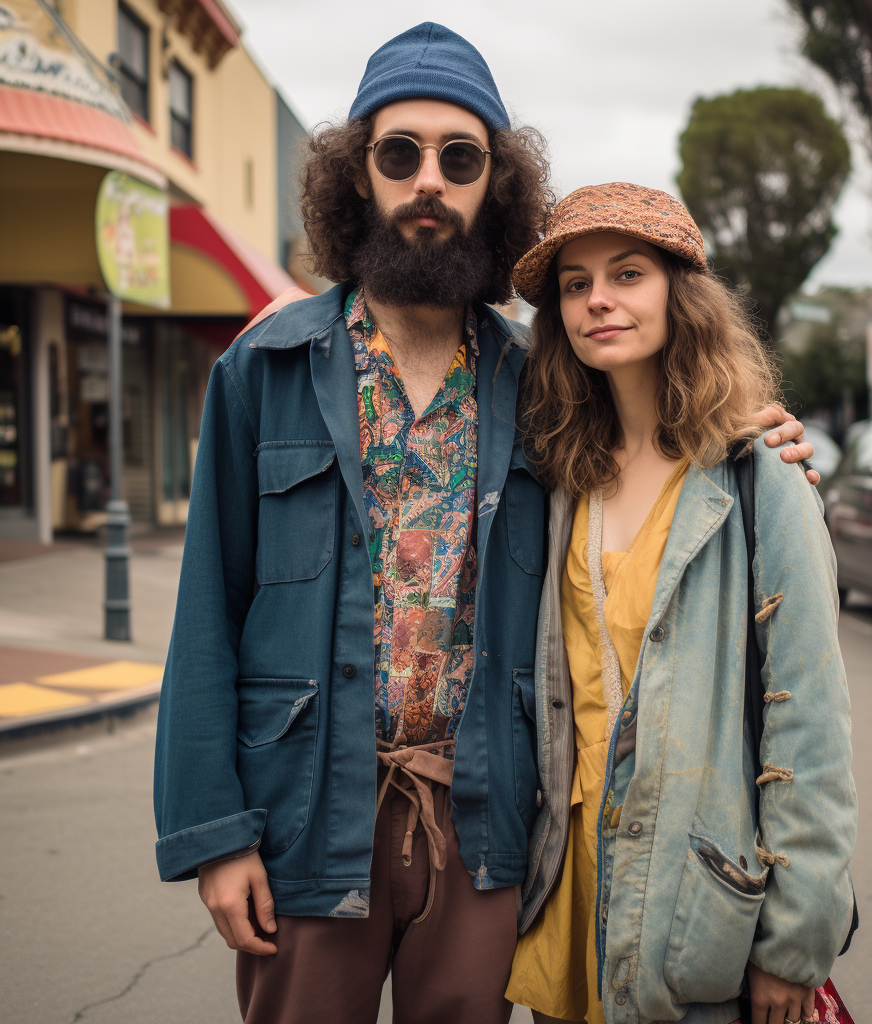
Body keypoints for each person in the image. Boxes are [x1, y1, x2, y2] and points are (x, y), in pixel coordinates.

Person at [152, 24, 819, 1024]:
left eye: (458, 158)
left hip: (487, 819)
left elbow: (659, 431)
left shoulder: (543, 382)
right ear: (355, 176)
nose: (429, 179)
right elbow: (207, 609)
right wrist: (216, 833)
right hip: (302, 810)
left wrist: (749, 429)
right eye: (399, 153)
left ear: (493, 185)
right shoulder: (263, 370)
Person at [505, 183, 857, 1024]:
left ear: (679, 293)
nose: (599, 300)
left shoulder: (757, 474)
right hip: (567, 889)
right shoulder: (560, 475)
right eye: (575, 284)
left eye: (628, 274)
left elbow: (808, 717)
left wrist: (797, 938)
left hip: (690, 903)